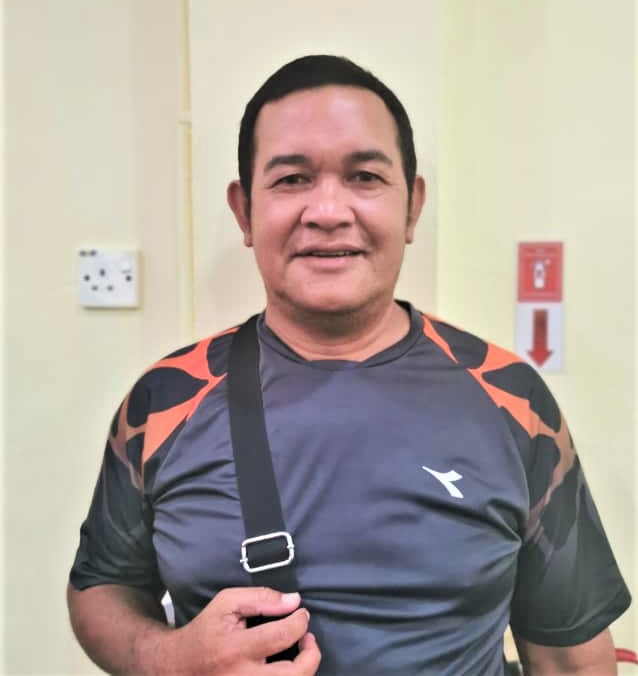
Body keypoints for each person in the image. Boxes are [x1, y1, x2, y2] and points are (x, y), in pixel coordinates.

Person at [67, 55, 631, 675]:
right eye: (292, 179)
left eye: (365, 176)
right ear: (244, 211)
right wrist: (168, 658)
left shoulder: (512, 401)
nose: (329, 211)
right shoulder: (166, 400)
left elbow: (570, 656)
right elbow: (102, 585)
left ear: (412, 207)